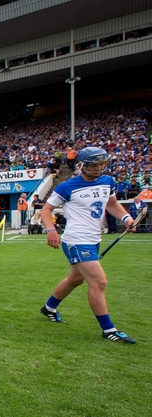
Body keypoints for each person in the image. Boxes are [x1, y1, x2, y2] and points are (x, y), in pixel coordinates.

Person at [39, 147, 136, 344]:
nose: (98, 168)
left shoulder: (108, 181)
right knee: (99, 282)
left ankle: (48, 308)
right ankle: (108, 329)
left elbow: (111, 204)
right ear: (82, 165)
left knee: (75, 280)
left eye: (100, 164)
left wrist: (126, 217)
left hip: (93, 240)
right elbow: (46, 210)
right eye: (93, 164)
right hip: (76, 240)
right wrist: (51, 230)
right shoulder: (67, 186)